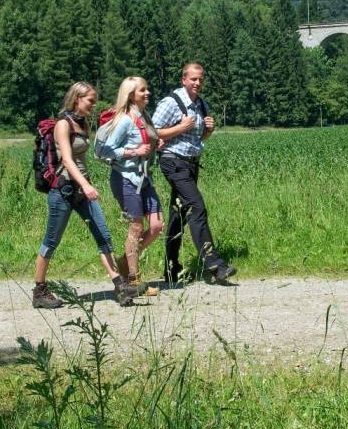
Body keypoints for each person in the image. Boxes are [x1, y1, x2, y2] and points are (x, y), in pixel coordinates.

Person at [32, 81, 139, 309]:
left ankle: (119, 286)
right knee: (51, 241)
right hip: (63, 190)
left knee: (103, 236)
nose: (93, 104)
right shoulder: (63, 124)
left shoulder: (83, 124)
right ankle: (39, 290)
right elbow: (68, 160)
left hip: (82, 189)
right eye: (90, 100)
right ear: (77, 99)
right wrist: (86, 185)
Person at [152, 62, 236, 283]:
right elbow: (151, 132)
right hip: (172, 161)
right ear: (183, 80)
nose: (198, 83)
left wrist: (208, 131)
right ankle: (215, 265)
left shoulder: (201, 105)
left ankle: (171, 269)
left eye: (200, 79)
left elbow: (197, 140)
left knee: (177, 216)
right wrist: (181, 127)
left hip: (190, 163)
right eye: (193, 79)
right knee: (196, 207)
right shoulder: (172, 102)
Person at [98, 76, 165, 297]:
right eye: (142, 91)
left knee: (156, 226)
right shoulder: (125, 119)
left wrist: (156, 144)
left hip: (144, 179)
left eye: (147, 89)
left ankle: (124, 262)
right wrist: (134, 152)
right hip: (125, 179)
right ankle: (134, 280)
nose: (147, 93)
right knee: (135, 228)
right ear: (130, 95)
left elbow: (147, 142)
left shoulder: (143, 116)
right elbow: (104, 151)